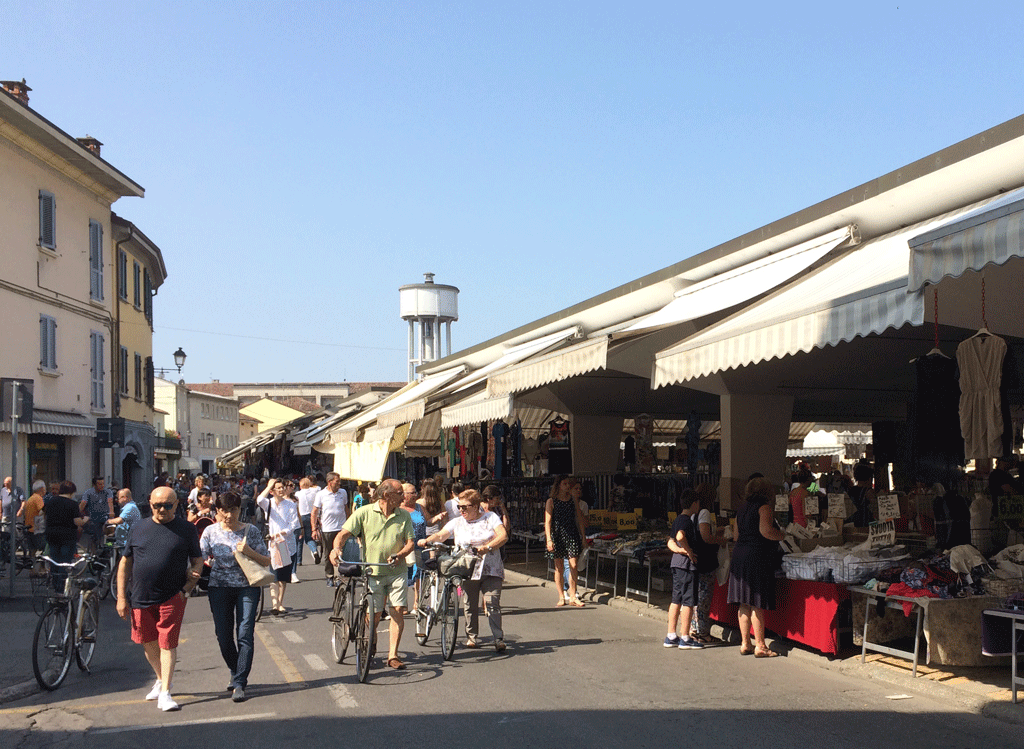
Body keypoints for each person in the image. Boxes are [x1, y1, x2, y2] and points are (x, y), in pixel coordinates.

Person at [117, 486, 204, 711]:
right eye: (157, 505)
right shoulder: (138, 528)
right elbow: (125, 563)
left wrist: (188, 586)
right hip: (140, 597)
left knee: (167, 643)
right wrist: (121, 597)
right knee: (148, 642)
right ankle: (160, 678)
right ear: (150, 503)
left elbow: (197, 560)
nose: (162, 509)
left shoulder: (186, 529)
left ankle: (165, 692)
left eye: (167, 505)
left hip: (172, 595)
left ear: (176, 505)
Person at [329, 479, 414, 670]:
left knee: (397, 611)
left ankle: (393, 655)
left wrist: (400, 555)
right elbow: (343, 534)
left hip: (397, 571)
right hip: (373, 571)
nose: (404, 496)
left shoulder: (403, 516)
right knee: (373, 616)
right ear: (387, 495)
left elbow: (410, 543)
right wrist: (336, 549)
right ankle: (369, 636)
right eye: (400, 493)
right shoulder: (364, 513)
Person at [199, 491, 270, 702]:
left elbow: (266, 561)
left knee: (245, 632)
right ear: (217, 511)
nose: (229, 515)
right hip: (219, 587)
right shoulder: (210, 532)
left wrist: (248, 550)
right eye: (224, 510)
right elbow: (199, 556)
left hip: (247, 587)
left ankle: (239, 682)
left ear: (240, 509)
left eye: (233, 510)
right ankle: (234, 668)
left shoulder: (251, 531)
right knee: (223, 635)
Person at [419, 488, 509, 651]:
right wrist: (426, 540)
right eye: (459, 507)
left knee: (492, 602)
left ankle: (498, 638)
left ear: (475, 506)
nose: (461, 510)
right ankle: (471, 636)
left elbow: (503, 536)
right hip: (467, 568)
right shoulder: (457, 522)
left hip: (491, 567)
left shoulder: (491, 517)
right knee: (469, 603)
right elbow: (441, 535)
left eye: (465, 507)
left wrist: (487, 547)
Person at [727, 477, 785, 658]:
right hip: (756, 556)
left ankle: (745, 643)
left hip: (739, 556)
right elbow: (766, 531)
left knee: (744, 602)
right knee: (756, 602)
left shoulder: (741, 509)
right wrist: (783, 535)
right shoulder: (764, 508)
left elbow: (736, 536)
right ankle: (761, 645)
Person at [665, 488, 702, 649]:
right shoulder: (687, 521)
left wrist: (679, 550)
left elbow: (671, 541)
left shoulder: (678, 519)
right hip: (687, 566)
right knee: (688, 601)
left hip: (676, 563)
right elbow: (680, 537)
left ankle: (671, 634)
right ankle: (685, 636)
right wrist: (688, 551)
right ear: (694, 504)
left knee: (676, 599)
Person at [256, 478, 301, 613]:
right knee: (274, 575)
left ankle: (280, 602)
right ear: (272, 491)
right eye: (278, 488)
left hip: (286, 544)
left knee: (283, 577)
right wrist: (269, 485)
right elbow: (259, 499)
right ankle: (275, 604)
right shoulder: (268, 503)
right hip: (272, 544)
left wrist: (282, 533)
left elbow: (293, 524)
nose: (281, 490)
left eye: (282, 487)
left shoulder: (291, 505)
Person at [544, 475, 587, 607]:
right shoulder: (551, 502)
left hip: (572, 534)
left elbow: (579, 519)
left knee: (573, 565)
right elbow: (548, 522)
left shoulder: (572, 500)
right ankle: (561, 595)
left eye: (568, 484)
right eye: (564, 484)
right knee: (559, 567)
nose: (567, 486)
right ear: (558, 485)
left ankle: (573, 595)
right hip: (557, 535)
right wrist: (549, 539)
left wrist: (583, 537)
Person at [690, 484, 725, 644]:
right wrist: (721, 540)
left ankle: (694, 629)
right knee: (704, 597)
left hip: (697, 560)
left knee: (696, 597)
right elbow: (705, 537)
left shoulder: (693, 514)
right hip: (706, 560)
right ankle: (703, 633)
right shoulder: (704, 513)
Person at [312, 472, 354, 586]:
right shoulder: (321, 494)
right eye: (337, 481)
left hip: (342, 528)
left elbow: (346, 509)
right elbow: (314, 512)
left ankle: (342, 575)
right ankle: (329, 576)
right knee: (328, 553)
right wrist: (313, 529)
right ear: (330, 482)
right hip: (328, 529)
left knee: (343, 552)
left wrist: (350, 524)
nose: (339, 483)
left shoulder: (343, 492)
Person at [401, 483, 427, 611]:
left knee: (419, 575)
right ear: (404, 495)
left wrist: (439, 518)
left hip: (420, 545)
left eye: (415, 492)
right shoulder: (399, 509)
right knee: (406, 575)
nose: (415, 495)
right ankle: (403, 604)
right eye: (412, 493)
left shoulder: (419, 507)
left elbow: (429, 521)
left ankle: (417, 602)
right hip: (405, 547)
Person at [79, 476, 114, 552]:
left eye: (103, 484)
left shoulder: (108, 492)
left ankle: (109, 549)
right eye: (99, 484)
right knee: (95, 535)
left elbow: (110, 502)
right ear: (94, 485)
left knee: (110, 533)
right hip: (94, 518)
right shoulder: (88, 493)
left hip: (105, 516)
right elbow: (82, 504)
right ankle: (94, 551)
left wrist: (111, 513)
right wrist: (76, 513)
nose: (102, 486)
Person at [19, 480, 47, 564]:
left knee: (32, 551)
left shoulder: (31, 498)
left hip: (29, 528)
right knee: (46, 548)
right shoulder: (38, 498)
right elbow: (42, 511)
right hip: (37, 529)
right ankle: (42, 568)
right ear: (42, 489)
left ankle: (32, 570)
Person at [294, 476, 319, 567]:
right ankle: (314, 550)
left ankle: (299, 560)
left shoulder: (298, 494)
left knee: (300, 538)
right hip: (311, 516)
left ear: (300, 485)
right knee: (310, 537)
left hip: (301, 516)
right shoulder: (314, 493)